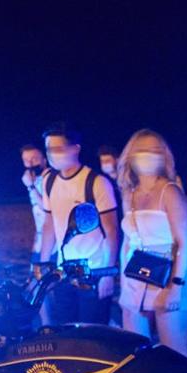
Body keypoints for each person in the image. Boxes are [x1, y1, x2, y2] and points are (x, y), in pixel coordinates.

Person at [115, 129, 187, 353]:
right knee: (134, 354)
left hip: (168, 276)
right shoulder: (129, 194)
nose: (148, 156)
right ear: (130, 156)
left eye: (154, 151)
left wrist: (176, 287)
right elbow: (128, 242)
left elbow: (185, 242)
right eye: (142, 151)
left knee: (176, 356)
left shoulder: (169, 192)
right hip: (134, 279)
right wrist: (124, 287)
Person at [38, 122, 120, 325]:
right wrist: (42, 263)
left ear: (75, 148)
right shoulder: (49, 181)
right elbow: (49, 224)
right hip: (63, 271)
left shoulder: (96, 182)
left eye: (58, 149)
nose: (52, 155)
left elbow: (112, 231)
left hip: (93, 271)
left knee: (93, 333)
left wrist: (108, 274)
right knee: (66, 331)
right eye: (49, 150)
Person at [20, 144, 50, 266]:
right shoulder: (35, 180)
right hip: (40, 241)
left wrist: (31, 187)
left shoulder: (49, 178)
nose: (30, 164)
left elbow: (47, 208)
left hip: (52, 245)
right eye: (26, 160)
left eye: (34, 159)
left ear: (45, 160)